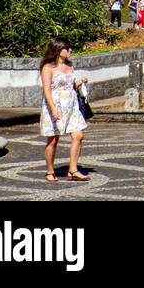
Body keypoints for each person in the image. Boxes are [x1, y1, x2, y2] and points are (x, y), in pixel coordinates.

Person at [39, 37, 90, 182]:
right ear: (57, 50)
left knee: (78, 135)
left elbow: (70, 84)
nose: (69, 51)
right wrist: (53, 109)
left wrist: (79, 82)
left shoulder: (70, 65)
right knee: (53, 139)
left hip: (72, 104)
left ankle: (73, 170)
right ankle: (50, 171)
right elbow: (47, 90)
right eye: (66, 48)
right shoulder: (48, 67)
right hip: (55, 104)